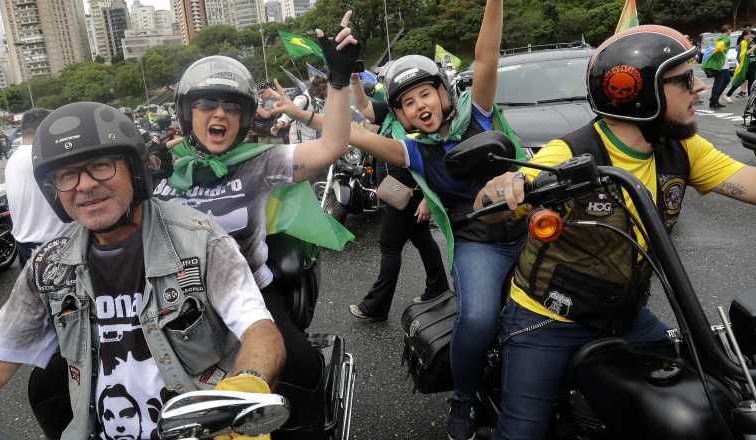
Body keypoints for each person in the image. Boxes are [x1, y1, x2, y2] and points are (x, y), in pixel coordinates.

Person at [474, 24, 756, 440]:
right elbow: (489, 211)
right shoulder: (568, 154)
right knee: (522, 433)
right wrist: (500, 188)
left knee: (707, 399)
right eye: (683, 80)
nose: (699, 86)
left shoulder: (680, 147)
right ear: (637, 92)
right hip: (549, 317)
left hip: (624, 312)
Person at [0, 101, 286, 440]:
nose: (84, 185)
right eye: (66, 175)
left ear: (134, 170)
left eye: (100, 166)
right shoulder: (49, 266)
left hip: (198, 431)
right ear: (52, 189)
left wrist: (244, 388)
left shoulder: (200, 239)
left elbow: (258, 329)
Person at [272, 1, 514, 438]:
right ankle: (462, 398)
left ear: (443, 92)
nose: (419, 105)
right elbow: (348, 133)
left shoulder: (477, 112)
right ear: (399, 115)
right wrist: (301, 111)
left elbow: (487, 55)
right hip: (480, 241)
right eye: (406, 102)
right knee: (477, 319)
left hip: (532, 222)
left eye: (425, 93)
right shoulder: (414, 150)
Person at [151, 11, 360, 439]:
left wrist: (339, 81)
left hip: (252, 291)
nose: (219, 114)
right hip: (172, 297)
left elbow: (333, 145)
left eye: (232, 106)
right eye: (207, 104)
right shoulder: (162, 171)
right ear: (188, 113)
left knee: (300, 363)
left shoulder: (260, 162)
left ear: (245, 117)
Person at [346, 73, 451, 321]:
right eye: (405, 100)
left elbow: (434, 162)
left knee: (389, 246)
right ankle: (438, 288)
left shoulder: (423, 123)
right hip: (397, 194)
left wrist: (428, 199)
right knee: (424, 241)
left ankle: (375, 307)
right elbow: (363, 107)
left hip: (409, 196)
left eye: (420, 96)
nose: (414, 105)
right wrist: (354, 82)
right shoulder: (391, 114)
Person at [4, 108, 72, 266]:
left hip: (24, 242)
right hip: (51, 244)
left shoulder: (14, 157)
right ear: (43, 129)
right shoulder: (39, 158)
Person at [275, 76, 327, 144]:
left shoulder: (320, 101)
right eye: (327, 89)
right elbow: (289, 112)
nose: (329, 92)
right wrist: (279, 124)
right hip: (299, 138)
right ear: (321, 89)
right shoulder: (303, 99)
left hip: (313, 138)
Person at [703, 24, 733, 108]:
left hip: (722, 65)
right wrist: (720, 49)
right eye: (730, 30)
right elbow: (719, 47)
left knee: (726, 80)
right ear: (728, 30)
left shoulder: (718, 38)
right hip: (721, 66)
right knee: (718, 83)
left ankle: (714, 99)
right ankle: (713, 102)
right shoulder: (725, 39)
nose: (731, 32)